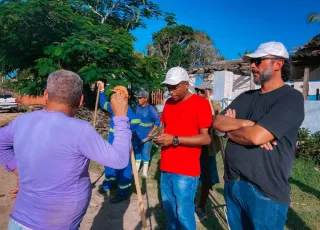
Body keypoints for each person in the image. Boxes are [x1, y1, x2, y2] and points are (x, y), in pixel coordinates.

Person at [0, 70, 131, 230]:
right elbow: (119, 159)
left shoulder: (21, 121)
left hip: (18, 222)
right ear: (81, 100)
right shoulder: (80, 130)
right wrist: (121, 116)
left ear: (46, 94)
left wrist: (18, 170)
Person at [212, 41, 305, 230]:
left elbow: (256, 137)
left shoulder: (290, 98)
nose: (252, 65)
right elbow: (217, 123)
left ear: (278, 64)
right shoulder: (246, 97)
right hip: (233, 184)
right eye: (252, 61)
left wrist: (230, 130)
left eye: (258, 61)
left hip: (264, 192)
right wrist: (248, 124)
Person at [154, 66, 212, 230]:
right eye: (168, 87)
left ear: (186, 84)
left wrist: (175, 140)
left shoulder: (200, 104)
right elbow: (163, 127)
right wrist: (160, 137)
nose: (171, 91)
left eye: (175, 87)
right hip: (166, 167)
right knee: (170, 211)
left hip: (186, 171)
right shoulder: (168, 104)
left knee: (184, 214)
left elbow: (206, 138)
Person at [97, 81, 140, 203]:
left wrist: (127, 131)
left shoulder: (128, 110)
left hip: (123, 144)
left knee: (123, 168)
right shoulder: (114, 106)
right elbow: (103, 104)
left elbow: (136, 122)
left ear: (125, 97)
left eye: (118, 94)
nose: (115, 97)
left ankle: (123, 193)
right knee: (109, 164)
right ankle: (108, 185)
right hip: (111, 143)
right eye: (114, 94)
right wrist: (101, 90)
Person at [194, 82, 222, 221]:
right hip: (194, 147)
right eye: (197, 91)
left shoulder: (215, 105)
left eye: (201, 91)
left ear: (209, 92)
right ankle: (190, 203)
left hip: (208, 149)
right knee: (192, 176)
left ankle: (201, 207)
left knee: (207, 179)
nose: (199, 94)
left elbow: (218, 123)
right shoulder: (194, 104)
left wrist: (209, 103)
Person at [133, 90, 160, 178]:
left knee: (146, 154)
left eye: (140, 98)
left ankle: (144, 172)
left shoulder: (150, 109)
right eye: (138, 98)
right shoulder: (137, 107)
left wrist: (151, 132)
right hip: (137, 135)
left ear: (146, 99)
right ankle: (136, 170)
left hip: (147, 136)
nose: (138, 100)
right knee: (137, 152)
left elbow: (157, 122)